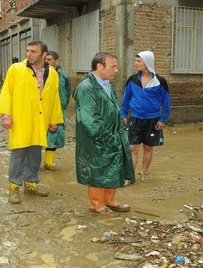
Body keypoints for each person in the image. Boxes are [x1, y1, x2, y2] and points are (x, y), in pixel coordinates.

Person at [0, 41, 63, 204]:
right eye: (28, 51)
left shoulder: (52, 73)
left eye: (33, 51)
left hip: (40, 119)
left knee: (35, 154)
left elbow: (54, 97)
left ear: (44, 55)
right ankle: (13, 188)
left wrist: (54, 120)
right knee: (18, 155)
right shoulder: (16, 69)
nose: (29, 54)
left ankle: (31, 184)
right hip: (21, 119)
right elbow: (6, 92)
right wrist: (6, 115)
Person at [74, 52, 135, 216]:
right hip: (97, 139)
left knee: (113, 167)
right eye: (112, 66)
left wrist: (118, 129)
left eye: (116, 66)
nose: (116, 70)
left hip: (112, 135)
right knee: (98, 170)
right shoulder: (86, 88)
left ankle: (109, 201)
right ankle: (97, 205)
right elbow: (89, 119)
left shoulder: (106, 84)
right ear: (99, 67)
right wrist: (108, 137)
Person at [121, 51, 170, 185]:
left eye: (138, 61)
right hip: (135, 118)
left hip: (153, 120)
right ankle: (130, 177)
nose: (135, 64)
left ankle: (143, 173)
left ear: (147, 63)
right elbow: (126, 98)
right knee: (133, 148)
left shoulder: (160, 81)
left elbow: (166, 101)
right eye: (135, 61)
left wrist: (163, 119)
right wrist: (123, 114)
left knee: (148, 148)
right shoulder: (132, 80)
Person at [44, 51, 71, 171]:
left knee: (54, 138)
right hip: (44, 110)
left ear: (56, 60)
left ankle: (48, 162)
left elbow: (68, 91)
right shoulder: (40, 74)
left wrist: (63, 105)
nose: (47, 62)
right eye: (45, 59)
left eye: (49, 60)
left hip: (59, 110)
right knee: (40, 136)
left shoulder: (63, 75)